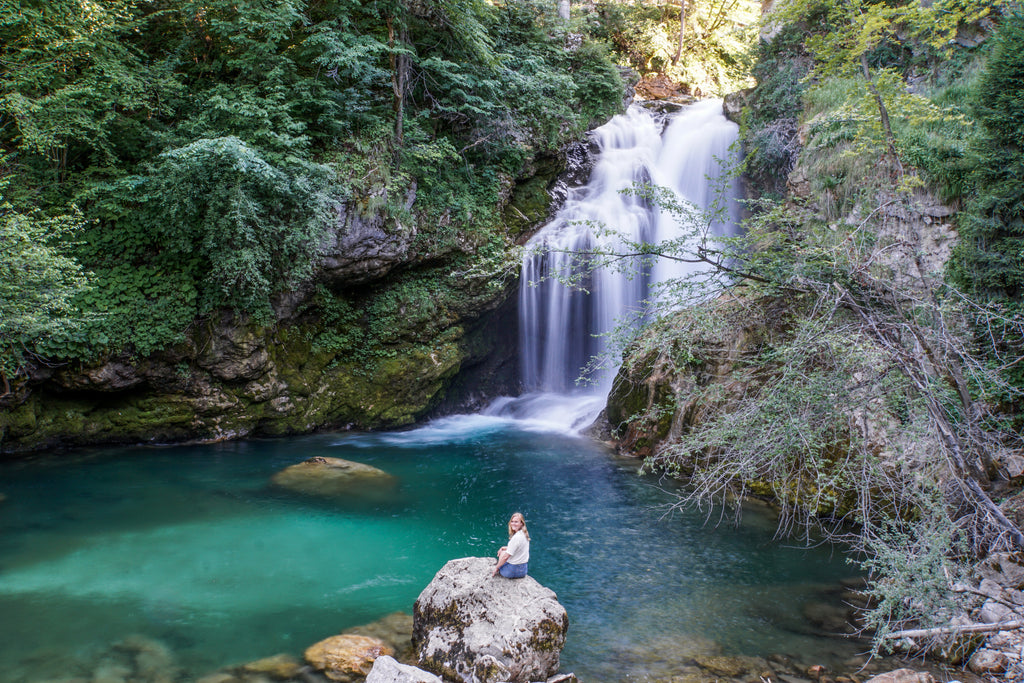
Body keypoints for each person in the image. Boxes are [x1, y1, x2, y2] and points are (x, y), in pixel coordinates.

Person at [492, 512, 530, 578]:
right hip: (523, 570)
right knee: (504, 550)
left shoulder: (516, 538)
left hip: (512, 571)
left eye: (516, 522)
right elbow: (518, 548)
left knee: (503, 553)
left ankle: (500, 568)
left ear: (521, 523)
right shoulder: (524, 534)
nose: (513, 524)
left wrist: (497, 568)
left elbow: (505, 557)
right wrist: (504, 547)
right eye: (512, 521)